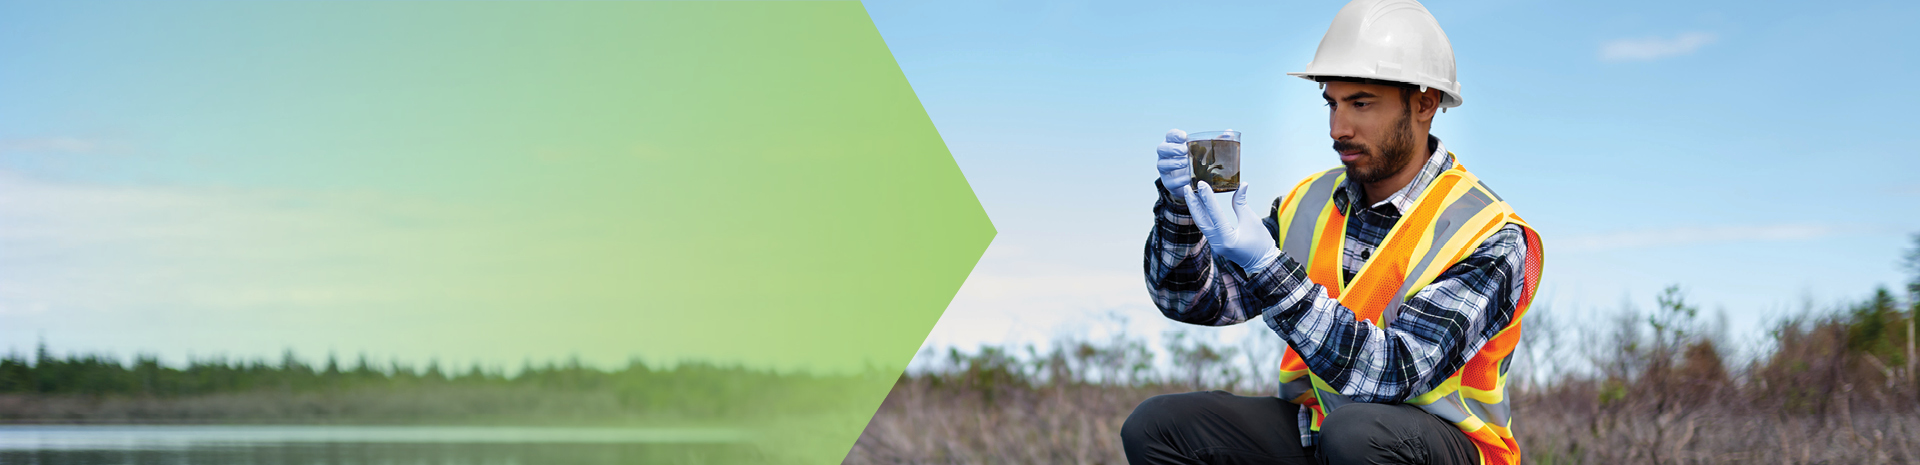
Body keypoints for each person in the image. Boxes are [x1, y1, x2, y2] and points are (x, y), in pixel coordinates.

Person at [1124, 0, 1545, 464]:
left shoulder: (1491, 235)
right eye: (1332, 103)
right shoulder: (1308, 203)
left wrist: (1268, 267)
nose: (1337, 128)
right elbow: (1192, 301)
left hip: (1439, 448)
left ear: (1424, 103)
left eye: (1360, 103)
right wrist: (1179, 211)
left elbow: (1392, 374)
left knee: (1359, 433)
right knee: (1157, 427)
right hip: (1323, 431)